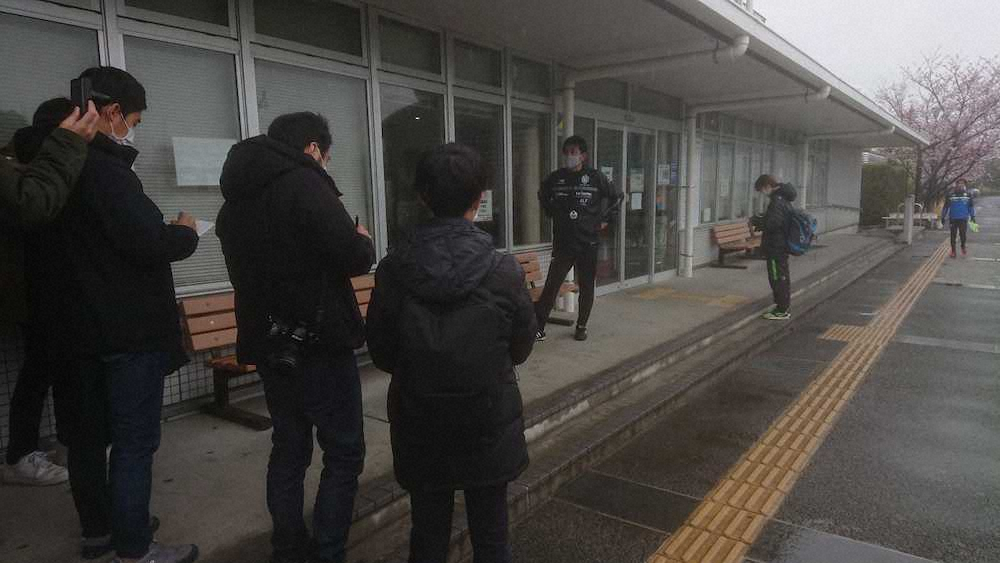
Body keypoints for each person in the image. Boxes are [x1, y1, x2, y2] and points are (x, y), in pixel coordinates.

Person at [35, 67, 200, 563]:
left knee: (84, 441)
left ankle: (100, 533)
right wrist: (186, 232)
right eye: (134, 120)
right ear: (110, 114)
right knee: (132, 445)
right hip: (126, 332)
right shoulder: (106, 171)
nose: (134, 129)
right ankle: (135, 548)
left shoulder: (48, 170)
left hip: (70, 331)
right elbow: (146, 241)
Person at [217, 112, 375, 563]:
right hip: (319, 340)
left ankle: (287, 547)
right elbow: (352, 256)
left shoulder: (236, 200)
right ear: (311, 148)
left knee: (289, 445)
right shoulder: (306, 184)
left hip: (269, 341)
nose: (326, 162)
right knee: (343, 451)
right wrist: (361, 239)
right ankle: (328, 551)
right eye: (326, 154)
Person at [366, 143, 536, 563]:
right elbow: (521, 346)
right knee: (492, 538)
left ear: (422, 196)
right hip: (488, 422)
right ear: (479, 200)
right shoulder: (504, 270)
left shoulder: (394, 269)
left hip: (420, 421)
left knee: (427, 537)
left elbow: (383, 353)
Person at [1, 98, 98, 487]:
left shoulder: (21, 159)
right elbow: (35, 207)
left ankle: (52, 447)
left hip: (35, 288)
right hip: (39, 288)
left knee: (46, 372)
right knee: (44, 373)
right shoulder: (40, 162)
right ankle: (22, 455)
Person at [535, 135, 622, 342]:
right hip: (564, 243)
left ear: (583, 155)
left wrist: (606, 220)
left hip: (587, 243)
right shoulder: (556, 178)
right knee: (552, 285)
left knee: (586, 287)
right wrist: (552, 212)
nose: (569, 156)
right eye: (567, 152)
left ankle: (581, 325)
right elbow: (542, 194)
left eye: (574, 152)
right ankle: (538, 327)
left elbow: (616, 197)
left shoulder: (595, 177)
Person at [751, 174, 797, 321]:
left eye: (761, 190)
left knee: (778, 277)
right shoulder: (783, 199)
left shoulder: (777, 201)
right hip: (780, 245)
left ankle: (782, 309)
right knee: (781, 276)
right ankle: (782, 306)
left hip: (776, 246)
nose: (763, 193)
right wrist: (762, 220)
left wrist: (758, 222)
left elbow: (773, 224)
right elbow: (776, 221)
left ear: (767, 186)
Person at [941, 178, 976, 258]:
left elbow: (971, 207)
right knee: (953, 235)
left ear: (965, 185)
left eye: (962, 183)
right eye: (959, 183)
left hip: (963, 218)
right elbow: (945, 207)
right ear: (956, 185)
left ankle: (963, 246)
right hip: (953, 218)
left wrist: (973, 217)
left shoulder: (968, 195)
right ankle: (953, 251)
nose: (961, 185)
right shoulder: (950, 195)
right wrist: (943, 217)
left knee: (963, 235)